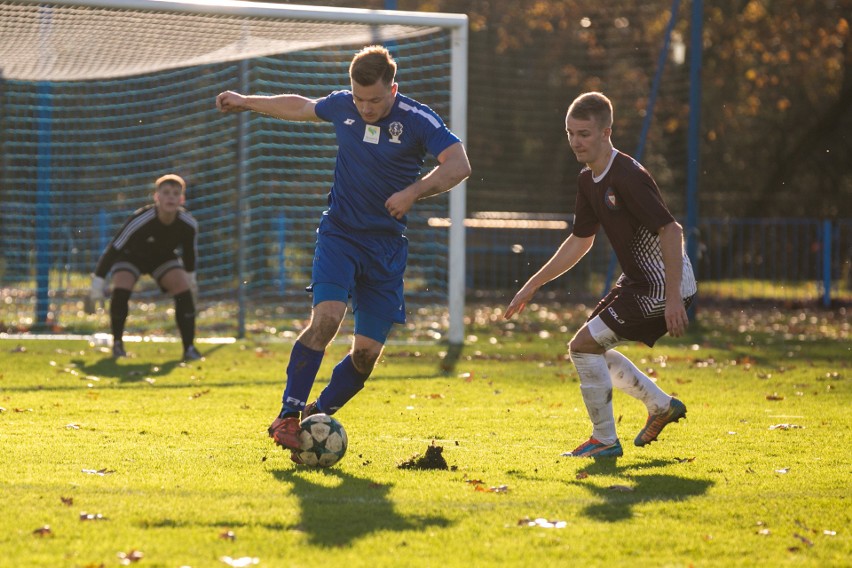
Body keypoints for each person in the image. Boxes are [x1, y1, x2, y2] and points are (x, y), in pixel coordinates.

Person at [216, 45, 471, 461]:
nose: (366, 108)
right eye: (358, 98)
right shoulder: (343, 106)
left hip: (386, 248)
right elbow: (301, 106)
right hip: (340, 235)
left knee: (366, 355)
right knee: (327, 319)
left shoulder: (418, 119)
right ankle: (288, 414)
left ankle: (318, 415)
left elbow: (458, 164)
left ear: (394, 88)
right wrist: (247, 101)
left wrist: (414, 191)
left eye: (375, 99)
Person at [504, 92, 697, 458]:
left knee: (583, 346)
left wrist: (673, 298)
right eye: (570, 133)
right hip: (638, 283)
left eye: (584, 133)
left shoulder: (626, 176)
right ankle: (660, 406)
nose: (576, 142)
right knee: (588, 348)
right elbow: (580, 241)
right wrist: (532, 285)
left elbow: (671, 231)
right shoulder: (587, 180)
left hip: (659, 287)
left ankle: (605, 440)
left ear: (606, 132)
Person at [88, 174, 203, 362]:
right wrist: (98, 282)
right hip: (131, 257)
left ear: (182, 199)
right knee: (122, 285)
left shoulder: (188, 224)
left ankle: (189, 348)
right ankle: (117, 344)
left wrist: (191, 280)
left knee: (182, 287)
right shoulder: (141, 219)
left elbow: (189, 254)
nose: (171, 197)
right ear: (156, 197)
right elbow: (114, 248)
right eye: (166, 193)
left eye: (176, 193)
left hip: (162, 259)